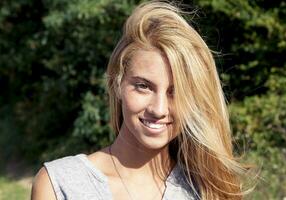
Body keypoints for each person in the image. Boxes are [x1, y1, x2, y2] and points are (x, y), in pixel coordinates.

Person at [31, 1, 253, 200]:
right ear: (117, 84)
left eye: (175, 92)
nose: (159, 109)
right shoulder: (60, 184)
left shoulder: (209, 191)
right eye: (143, 86)